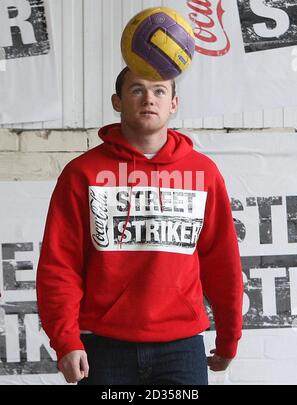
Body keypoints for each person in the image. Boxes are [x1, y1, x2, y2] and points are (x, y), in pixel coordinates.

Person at [36, 66, 243, 385]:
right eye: (137, 90)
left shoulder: (203, 172)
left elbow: (222, 262)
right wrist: (66, 341)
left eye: (160, 90)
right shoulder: (83, 173)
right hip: (103, 348)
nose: (149, 98)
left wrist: (229, 337)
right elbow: (59, 266)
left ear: (174, 103)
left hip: (181, 348)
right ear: (117, 102)